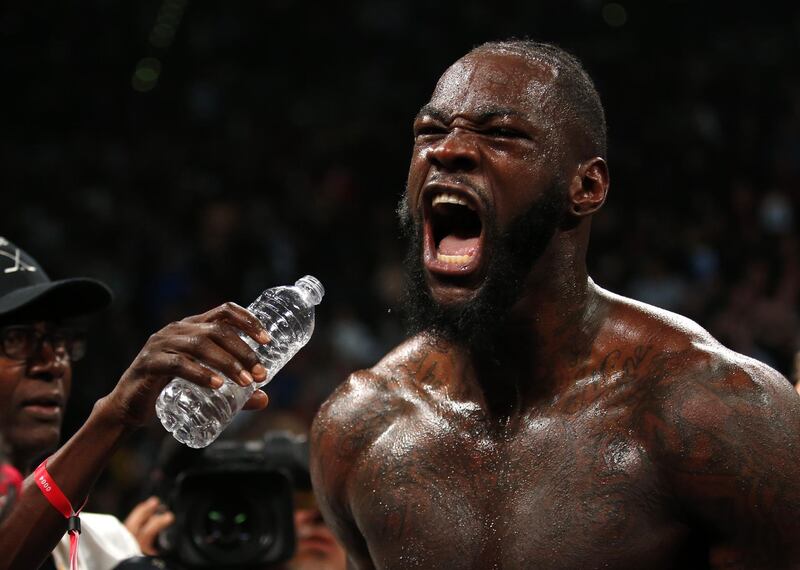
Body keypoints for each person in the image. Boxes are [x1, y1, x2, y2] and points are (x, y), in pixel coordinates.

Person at [310, 40, 800, 569]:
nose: (447, 150)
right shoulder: (357, 426)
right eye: (429, 131)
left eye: (500, 134)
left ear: (586, 186)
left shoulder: (710, 413)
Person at [0, 237, 271, 570]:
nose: (52, 363)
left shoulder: (105, 545)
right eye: (15, 339)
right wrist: (115, 416)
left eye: (58, 340)